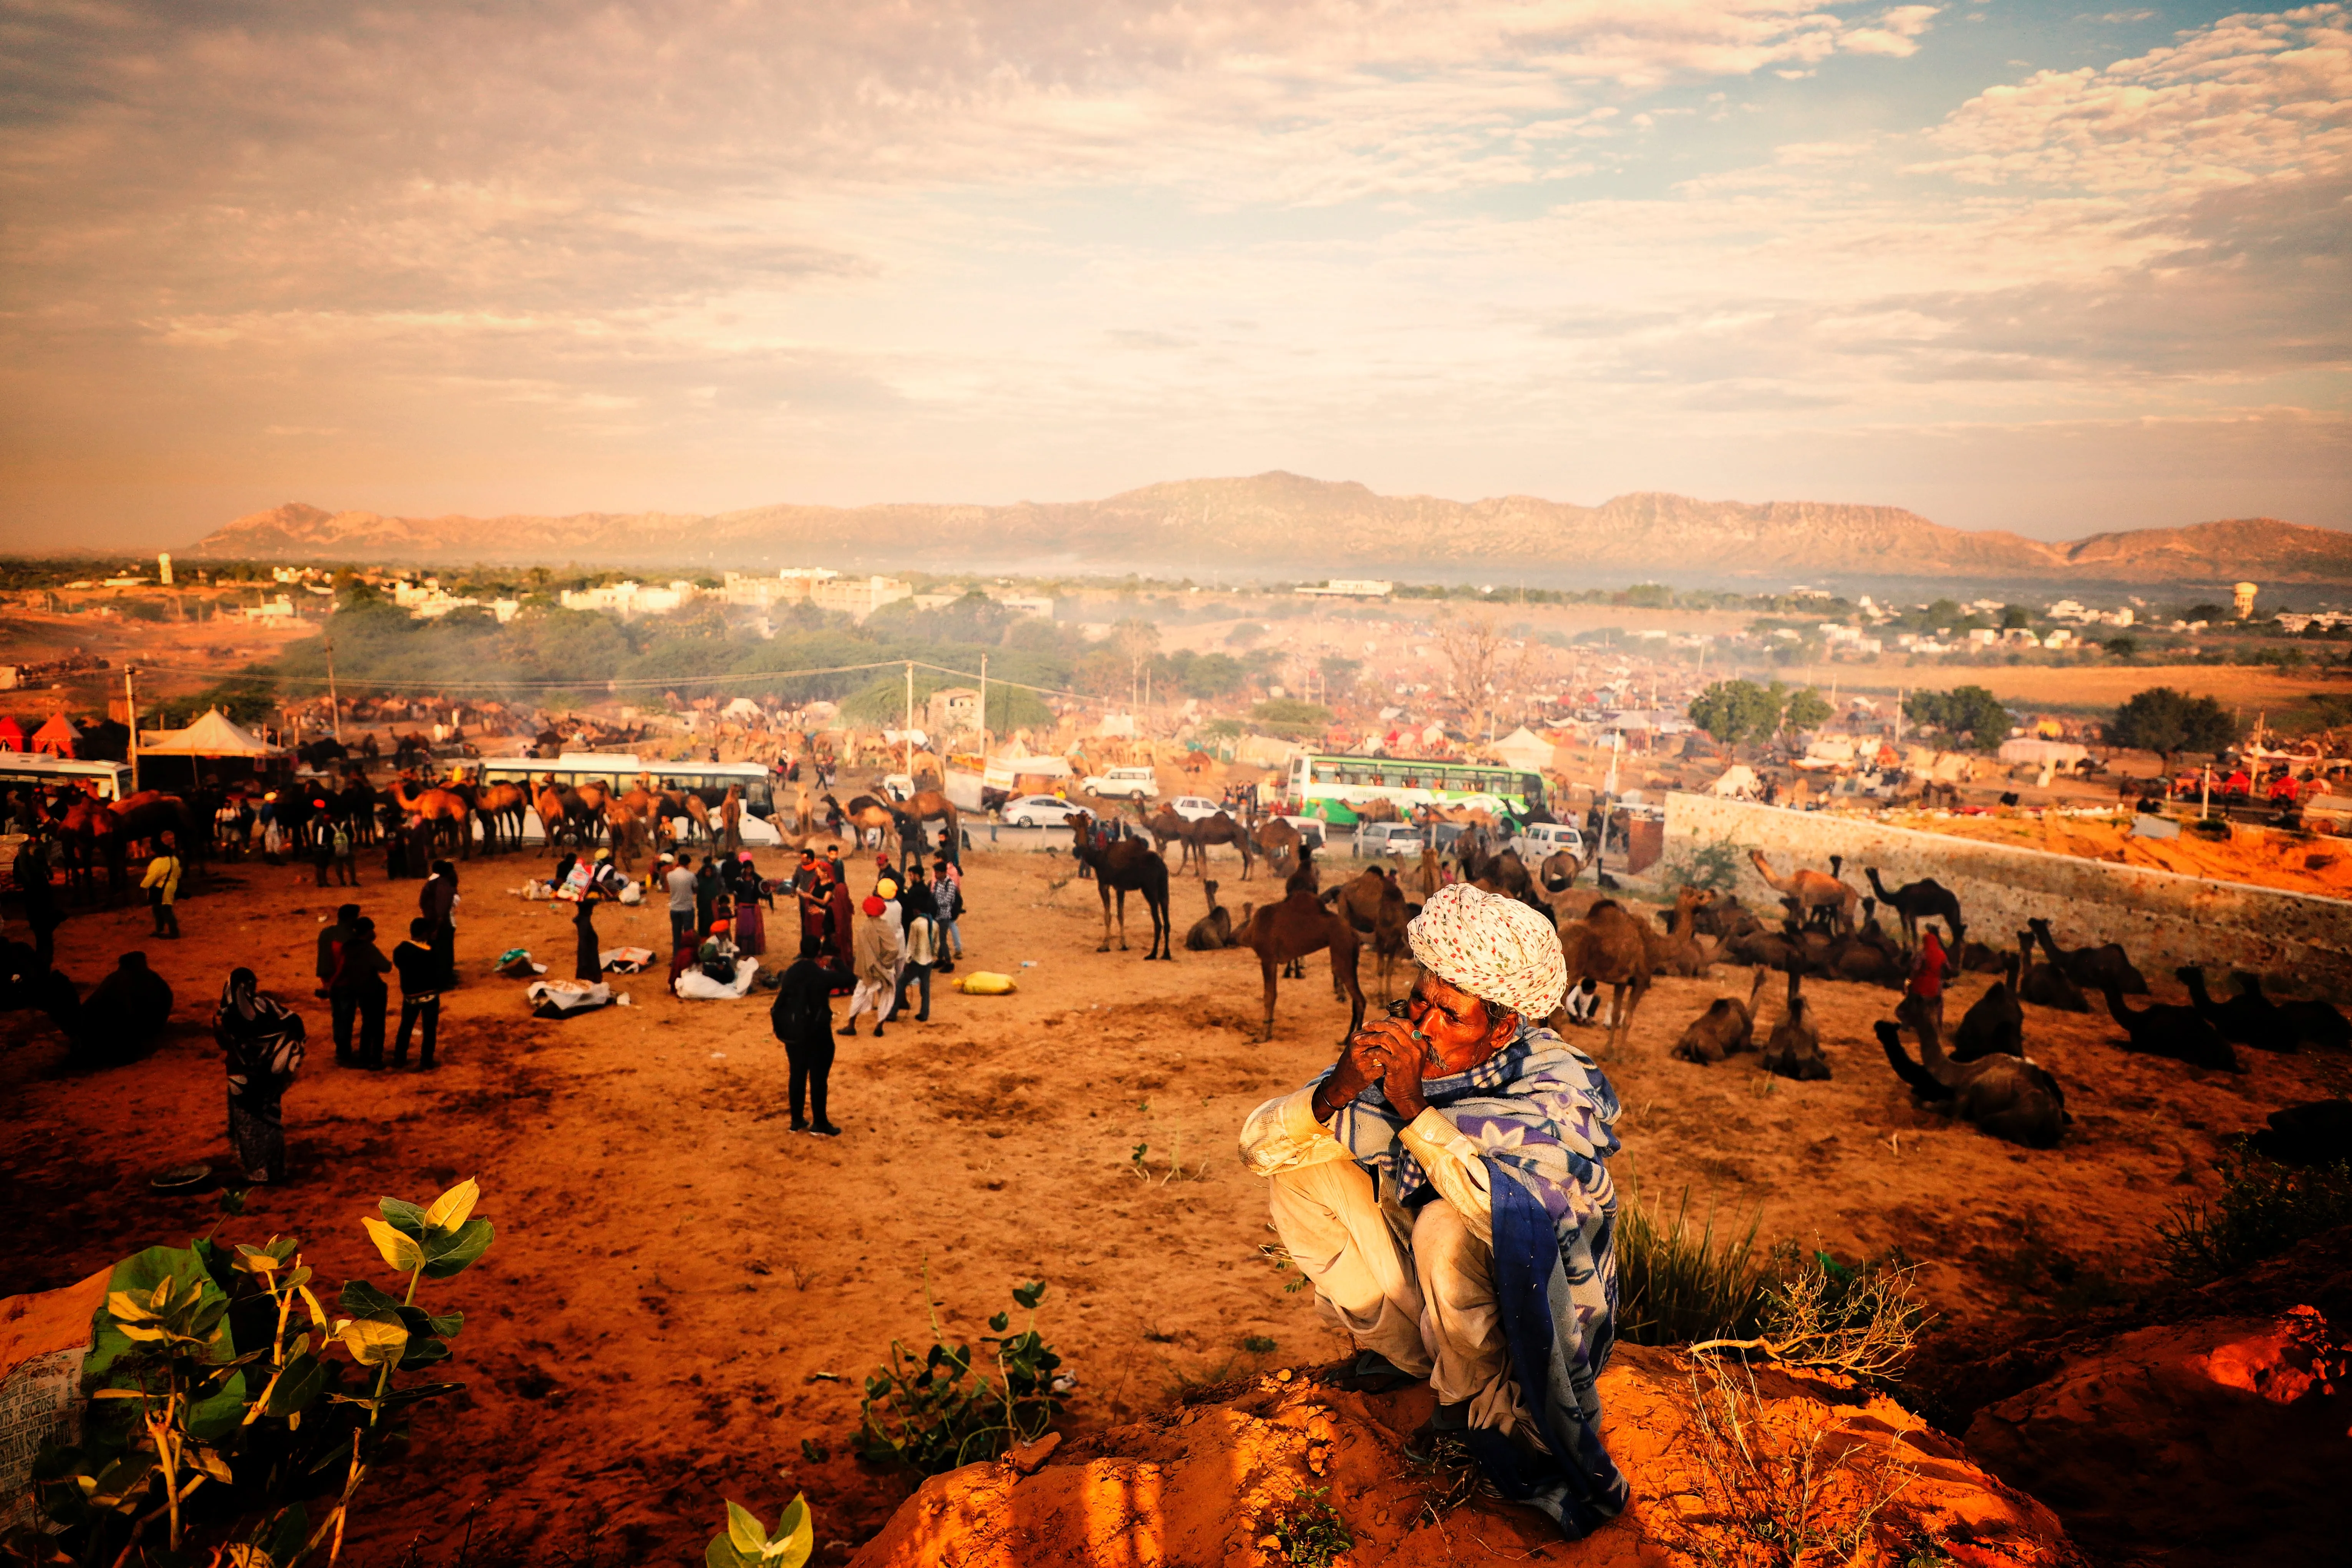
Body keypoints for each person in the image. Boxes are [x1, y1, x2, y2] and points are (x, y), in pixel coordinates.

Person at [1239, 882, 1627, 1537]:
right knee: (1302, 1163)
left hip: (1528, 1309)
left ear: (1502, 1025)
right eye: (1419, 999)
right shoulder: (1413, 1055)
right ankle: (1398, 1354)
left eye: (1450, 1012)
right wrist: (1335, 1091)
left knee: (1446, 1222)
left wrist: (1415, 1110)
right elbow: (1257, 1148)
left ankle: (1466, 1406)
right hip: (1435, 1285)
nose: (1422, 1023)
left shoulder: (1556, 1084)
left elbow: (1513, 1217)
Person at [215, 968, 306, 1184]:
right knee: (271, 1122)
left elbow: (223, 1043)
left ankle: (258, 1173)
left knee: (250, 1127)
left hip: (241, 1079)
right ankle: (276, 1170)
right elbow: (294, 1025)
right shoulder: (269, 1007)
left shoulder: (225, 1015)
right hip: (268, 1079)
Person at [771, 938, 841, 1134]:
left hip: (794, 1031)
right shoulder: (820, 975)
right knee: (818, 1077)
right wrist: (834, 962)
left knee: (797, 1075)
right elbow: (848, 978)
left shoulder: (790, 974)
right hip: (817, 1032)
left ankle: (797, 1120)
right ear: (819, 953)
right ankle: (819, 1123)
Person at [333, 915, 393, 1070]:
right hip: (374, 990)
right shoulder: (368, 948)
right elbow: (386, 967)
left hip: (358, 991)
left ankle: (364, 1056)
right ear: (368, 932)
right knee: (378, 1025)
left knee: (367, 1024)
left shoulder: (348, 948)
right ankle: (375, 1059)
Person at [842, 893, 900, 1037]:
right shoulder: (885, 927)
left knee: (859, 994)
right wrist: (884, 964)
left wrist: (873, 964)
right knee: (887, 995)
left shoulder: (863, 929)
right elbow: (894, 950)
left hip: (868, 969)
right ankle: (879, 1026)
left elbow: (863, 954)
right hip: (884, 969)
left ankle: (851, 1025)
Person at [392, 917, 443, 1069]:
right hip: (429, 995)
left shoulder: (400, 950)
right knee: (429, 1029)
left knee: (406, 1027)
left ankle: (399, 1058)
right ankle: (426, 1061)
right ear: (425, 933)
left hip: (410, 997)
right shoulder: (430, 951)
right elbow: (439, 969)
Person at [13, 832, 63, 970]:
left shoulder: (36, 848)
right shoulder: (26, 851)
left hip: (37, 888)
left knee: (43, 934)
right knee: (43, 935)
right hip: (35, 888)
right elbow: (25, 868)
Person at [890, 883, 939, 1024]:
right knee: (925, 989)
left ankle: (893, 1012)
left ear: (917, 910)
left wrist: (907, 961)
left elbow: (911, 945)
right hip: (928, 960)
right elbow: (936, 945)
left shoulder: (916, 924)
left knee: (901, 985)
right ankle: (924, 1013)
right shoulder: (934, 924)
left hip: (916, 961)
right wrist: (933, 956)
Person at [1905, 922, 1951, 1044]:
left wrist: (1908, 982)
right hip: (1936, 987)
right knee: (1940, 1004)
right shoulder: (1942, 954)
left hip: (1921, 987)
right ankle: (1939, 1026)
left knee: (1911, 999)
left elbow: (1915, 969)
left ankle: (1907, 1024)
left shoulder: (1923, 954)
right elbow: (1949, 969)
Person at [419, 860, 459, 987]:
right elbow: (442, 911)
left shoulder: (432, 884)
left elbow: (423, 903)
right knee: (444, 953)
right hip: (442, 926)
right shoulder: (445, 887)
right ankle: (444, 981)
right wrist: (437, 927)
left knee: (437, 952)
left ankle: (439, 978)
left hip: (432, 922)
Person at [139, 833, 183, 939]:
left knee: (163, 911)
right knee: (161, 909)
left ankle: (173, 932)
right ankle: (164, 930)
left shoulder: (158, 862)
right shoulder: (174, 860)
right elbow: (179, 874)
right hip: (171, 887)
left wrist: (143, 886)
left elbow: (152, 877)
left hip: (160, 890)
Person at [930, 858, 964, 968]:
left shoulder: (950, 885)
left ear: (944, 873)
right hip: (938, 915)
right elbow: (934, 895)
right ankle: (940, 959)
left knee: (943, 940)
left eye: (938, 873)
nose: (936, 875)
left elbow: (947, 901)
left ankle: (949, 962)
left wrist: (936, 904)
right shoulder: (938, 884)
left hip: (945, 915)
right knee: (940, 938)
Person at [666, 853, 699, 951]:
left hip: (675, 908)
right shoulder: (691, 876)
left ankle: (677, 956)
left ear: (678, 862)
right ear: (688, 864)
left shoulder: (670, 875)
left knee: (676, 935)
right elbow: (696, 890)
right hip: (687, 908)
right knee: (689, 936)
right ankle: (688, 955)